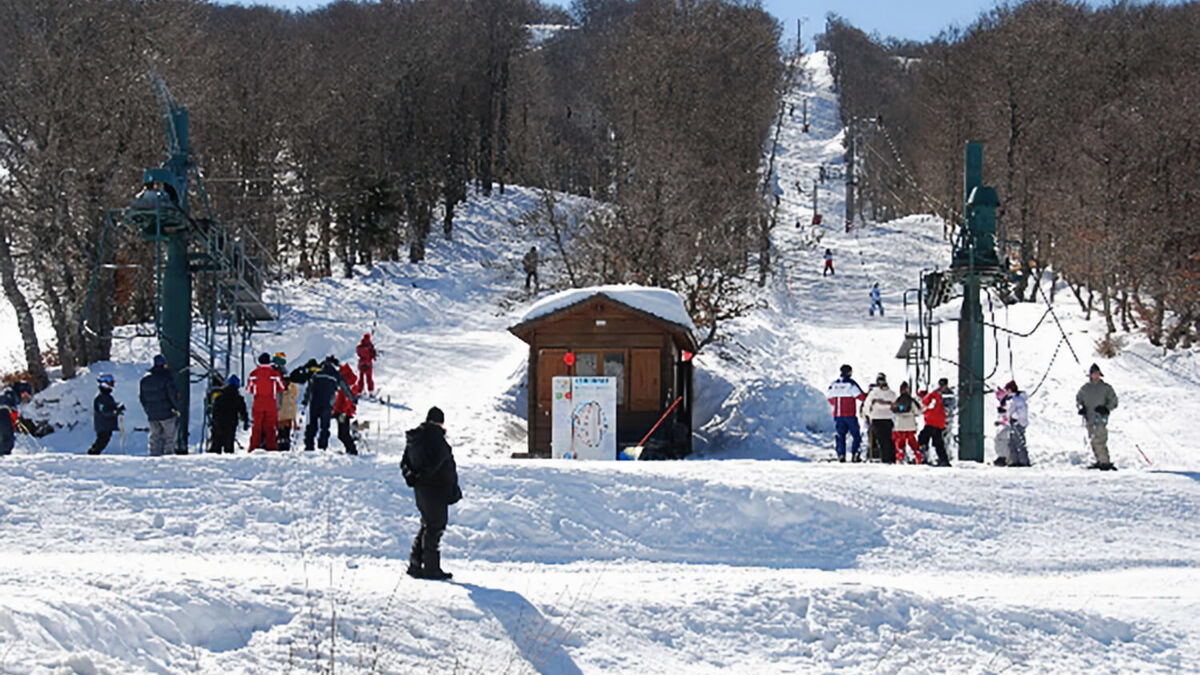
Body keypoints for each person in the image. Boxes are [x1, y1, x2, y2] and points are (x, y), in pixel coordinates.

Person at [402, 406, 462, 580]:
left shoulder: (416, 439)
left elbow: (405, 463)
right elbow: (437, 464)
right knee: (435, 526)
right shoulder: (435, 439)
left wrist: (412, 477)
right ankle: (431, 567)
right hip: (436, 489)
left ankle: (416, 563)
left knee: (427, 524)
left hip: (422, 489)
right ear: (440, 422)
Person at [303, 356, 355, 452]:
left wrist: (305, 400)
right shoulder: (336, 374)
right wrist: (353, 399)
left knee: (312, 424)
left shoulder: (317, 372)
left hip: (315, 401)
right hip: (327, 403)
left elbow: (309, 387)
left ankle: (309, 445)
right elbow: (345, 387)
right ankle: (322, 447)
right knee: (325, 426)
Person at [1077, 363, 1119, 471]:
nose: (1095, 376)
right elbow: (1079, 400)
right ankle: (1100, 460)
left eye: (1097, 374)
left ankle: (1105, 461)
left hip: (1101, 418)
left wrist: (1106, 408)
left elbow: (1114, 401)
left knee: (1099, 440)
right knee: (1093, 441)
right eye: (1093, 374)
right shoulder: (1085, 388)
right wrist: (1082, 409)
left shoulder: (1106, 388)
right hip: (1089, 418)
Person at [139, 354, 180, 456]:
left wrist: (148, 410)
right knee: (170, 437)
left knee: (155, 436)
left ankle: (154, 455)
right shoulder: (166, 378)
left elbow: (142, 398)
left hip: (152, 414)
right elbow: (172, 396)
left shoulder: (145, 380)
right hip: (167, 414)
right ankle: (168, 456)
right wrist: (177, 408)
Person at [826, 364, 866, 462]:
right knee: (855, 435)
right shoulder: (850, 384)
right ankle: (855, 454)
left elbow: (829, 399)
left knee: (840, 435)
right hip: (850, 414)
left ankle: (841, 454)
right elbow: (861, 397)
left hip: (838, 414)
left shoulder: (834, 384)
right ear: (849, 372)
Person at [247, 352, 285, 451]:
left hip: (258, 402)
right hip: (271, 402)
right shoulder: (274, 374)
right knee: (270, 427)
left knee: (256, 427)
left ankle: (253, 447)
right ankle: (271, 448)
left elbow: (249, 389)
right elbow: (281, 387)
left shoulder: (253, 374)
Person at [862, 373, 897, 463]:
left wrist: (868, 415)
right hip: (888, 419)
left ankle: (884, 458)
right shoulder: (892, 394)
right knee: (888, 439)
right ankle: (891, 457)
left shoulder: (873, 394)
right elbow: (896, 406)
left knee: (881, 440)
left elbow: (866, 406)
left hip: (877, 419)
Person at [210, 375, 248, 454]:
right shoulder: (238, 398)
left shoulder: (220, 396)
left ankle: (215, 454)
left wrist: (212, 421)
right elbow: (243, 411)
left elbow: (214, 410)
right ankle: (229, 456)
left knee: (217, 440)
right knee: (229, 441)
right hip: (231, 422)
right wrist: (245, 421)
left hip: (219, 421)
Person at [88, 374, 124, 455]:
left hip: (107, 425)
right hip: (103, 425)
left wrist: (118, 407)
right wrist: (115, 412)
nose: (112, 386)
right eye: (111, 383)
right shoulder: (101, 397)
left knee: (104, 440)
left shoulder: (107, 396)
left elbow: (110, 406)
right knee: (102, 440)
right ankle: (93, 453)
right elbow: (104, 410)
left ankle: (94, 452)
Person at [919, 378, 952, 466]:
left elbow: (926, 406)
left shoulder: (933, 395)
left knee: (924, 439)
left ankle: (923, 457)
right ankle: (943, 460)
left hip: (932, 422)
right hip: (938, 422)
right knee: (938, 442)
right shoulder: (947, 395)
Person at [891, 381, 924, 464]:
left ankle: (900, 456)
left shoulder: (897, 401)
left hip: (899, 425)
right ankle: (917, 456)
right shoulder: (911, 401)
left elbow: (893, 411)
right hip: (910, 425)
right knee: (913, 442)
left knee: (900, 442)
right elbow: (918, 412)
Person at [333, 363, 361, 455]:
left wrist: (342, 412)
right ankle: (350, 450)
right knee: (343, 434)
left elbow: (348, 399)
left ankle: (352, 450)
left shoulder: (350, 383)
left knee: (343, 434)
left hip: (344, 413)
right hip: (342, 412)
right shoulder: (346, 382)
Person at [274, 353, 300, 451]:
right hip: (287, 413)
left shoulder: (274, 377)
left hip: (279, 412)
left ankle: (279, 443)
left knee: (279, 431)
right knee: (285, 432)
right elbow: (295, 395)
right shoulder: (291, 386)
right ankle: (284, 444)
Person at [0, 381, 33, 456]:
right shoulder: (10, 393)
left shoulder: (9, 392)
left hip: (4, 414)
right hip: (3, 414)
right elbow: (5, 404)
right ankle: (5, 458)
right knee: (7, 439)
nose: (25, 397)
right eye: (26, 394)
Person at [1003, 381, 1030, 467]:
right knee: (1012, 443)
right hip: (1012, 423)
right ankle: (1014, 461)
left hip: (1018, 423)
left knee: (1019, 443)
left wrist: (1015, 418)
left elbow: (1022, 412)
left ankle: (1023, 461)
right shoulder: (1012, 399)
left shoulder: (1017, 400)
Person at [356, 334, 377, 398]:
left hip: (362, 364)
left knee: (361, 378)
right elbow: (373, 354)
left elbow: (358, 353)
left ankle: (359, 391)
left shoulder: (360, 346)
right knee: (369, 378)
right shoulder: (370, 346)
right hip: (368, 364)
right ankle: (371, 392)